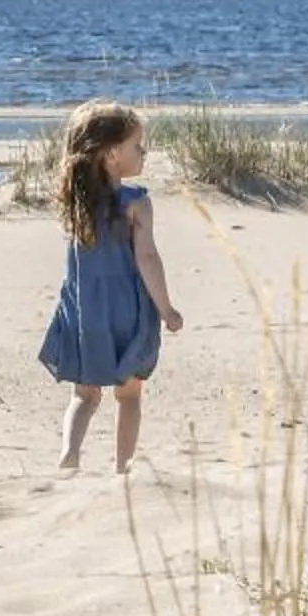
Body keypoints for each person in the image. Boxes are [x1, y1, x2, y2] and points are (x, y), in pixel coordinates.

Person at [38, 100, 185, 475]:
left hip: (85, 311)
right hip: (127, 311)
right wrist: (166, 308)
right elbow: (147, 259)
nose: (144, 152)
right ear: (111, 153)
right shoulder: (136, 203)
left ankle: (69, 455)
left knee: (84, 395)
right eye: (137, 145)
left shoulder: (74, 201)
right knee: (130, 394)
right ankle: (124, 468)